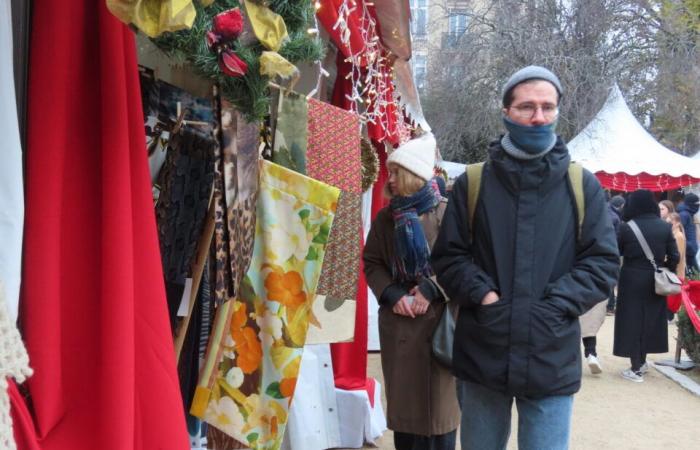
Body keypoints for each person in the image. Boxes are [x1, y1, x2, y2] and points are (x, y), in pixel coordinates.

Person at [431, 66, 619, 450]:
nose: (538, 117)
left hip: (550, 353)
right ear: (506, 112)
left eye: (548, 107)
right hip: (484, 349)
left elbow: (602, 261)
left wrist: (557, 304)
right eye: (527, 107)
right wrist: (485, 296)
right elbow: (449, 257)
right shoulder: (472, 183)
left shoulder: (582, 184)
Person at [363, 132, 460, 450]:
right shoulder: (385, 219)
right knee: (406, 425)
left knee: (439, 422)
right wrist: (392, 295)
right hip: (400, 325)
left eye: (394, 173)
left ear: (412, 175)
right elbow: (372, 262)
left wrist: (431, 290)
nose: (388, 179)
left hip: (440, 326)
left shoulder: (447, 213)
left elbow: (464, 263)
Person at [613, 190, 679, 382]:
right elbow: (674, 256)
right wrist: (665, 269)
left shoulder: (627, 227)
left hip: (631, 278)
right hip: (655, 278)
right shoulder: (664, 227)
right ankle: (642, 361)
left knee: (631, 319)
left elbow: (617, 251)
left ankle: (636, 367)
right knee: (650, 320)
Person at [606, 194, 625, 315]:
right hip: (612, 252)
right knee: (613, 279)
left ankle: (609, 305)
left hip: (601, 250)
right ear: (620, 206)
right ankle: (610, 305)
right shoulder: (615, 218)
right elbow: (617, 238)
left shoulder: (604, 211)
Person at [676, 193, 699, 274]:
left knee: (695, 275)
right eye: (696, 204)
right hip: (687, 250)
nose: (698, 207)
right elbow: (678, 230)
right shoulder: (684, 214)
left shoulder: (689, 213)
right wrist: (688, 245)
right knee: (694, 275)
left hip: (690, 249)